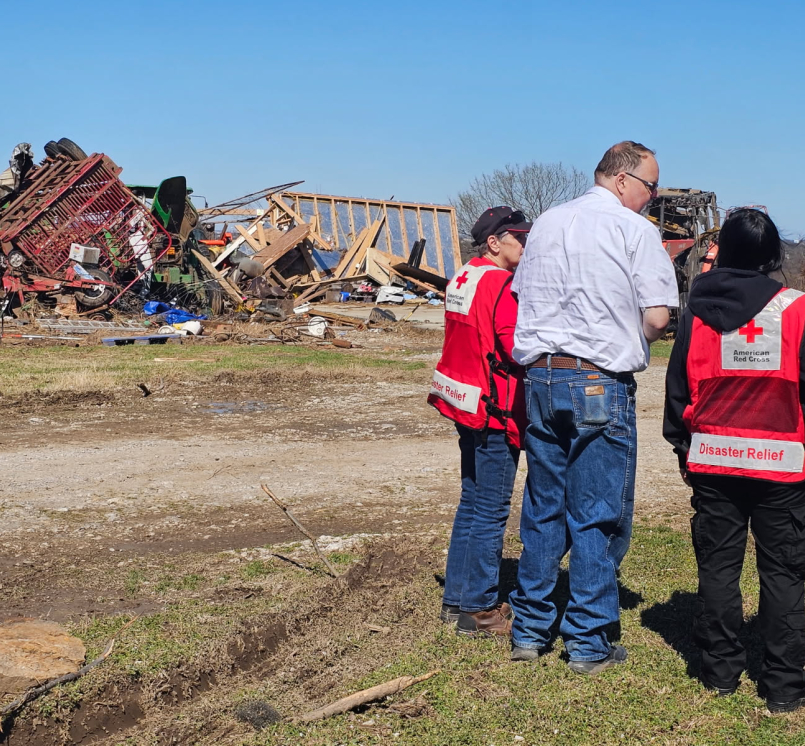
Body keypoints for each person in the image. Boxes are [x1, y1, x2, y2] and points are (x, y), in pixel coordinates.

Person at [508, 141, 678, 672]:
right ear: (624, 180)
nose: (652, 200)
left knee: (543, 504)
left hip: (539, 375)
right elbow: (656, 316)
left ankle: (530, 629)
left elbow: (523, 296)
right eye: (651, 188)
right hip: (598, 380)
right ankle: (587, 639)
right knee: (596, 512)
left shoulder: (548, 224)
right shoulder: (634, 230)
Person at [663, 209, 805, 713]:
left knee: (719, 569)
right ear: (772, 257)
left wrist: (682, 446)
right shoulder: (797, 311)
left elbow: (678, 389)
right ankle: (784, 686)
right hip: (782, 467)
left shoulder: (698, 312)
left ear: (723, 252)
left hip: (714, 462)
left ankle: (720, 673)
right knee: (784, 574)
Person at [429, 206, 531, 637]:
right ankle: (480, 608)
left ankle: (456, 599)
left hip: (463, 401)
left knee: (470, 503)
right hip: (493, 408)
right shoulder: (501, 284)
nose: (526, 245)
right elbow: (515, 348)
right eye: (519, 238)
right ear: (495, 242)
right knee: (490, 509)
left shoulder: (465, 276)